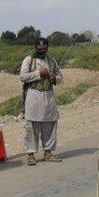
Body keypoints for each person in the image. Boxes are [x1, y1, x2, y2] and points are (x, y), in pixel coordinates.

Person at [20, 38, 63, 166]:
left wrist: (54, 78)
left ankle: (48, 153)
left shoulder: (51, 60)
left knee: (50, 125)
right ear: (35, 48)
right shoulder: (29, 60)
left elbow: (60, 76)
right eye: (39, 49)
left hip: (48, 96)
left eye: (44, 49)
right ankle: (31, 155)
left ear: (47, 48)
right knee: (32, 127)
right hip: (34, 96)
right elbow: (22, 77)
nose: (42, 51)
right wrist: (39, 73)